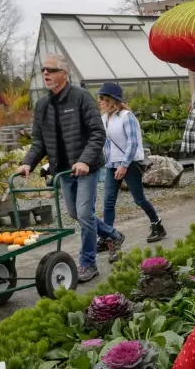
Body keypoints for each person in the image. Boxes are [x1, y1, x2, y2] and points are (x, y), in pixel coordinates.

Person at [16, 53, 122, 283]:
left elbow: (97, 133)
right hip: (63, 170)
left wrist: (84, 160)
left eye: (51, 70)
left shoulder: (81, 97)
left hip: (87, 168)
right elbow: (39, 142)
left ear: (64, 74)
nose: (46, 73)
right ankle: (113, 235)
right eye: (44, 70)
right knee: (75, 213)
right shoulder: (42, 105)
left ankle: (88, 263)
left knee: (84, 214)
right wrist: (27, 162)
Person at [97, 82, 165, 260]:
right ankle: (109, 237)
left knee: (139, 199)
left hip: (129, 164)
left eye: (103, 98)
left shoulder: (127, 117)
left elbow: (132, 143)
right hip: (111, 164)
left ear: (112, 100)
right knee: (108, 202)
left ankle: (157, 224)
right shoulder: (104, 118)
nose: (99, 101)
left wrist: (124, 164)